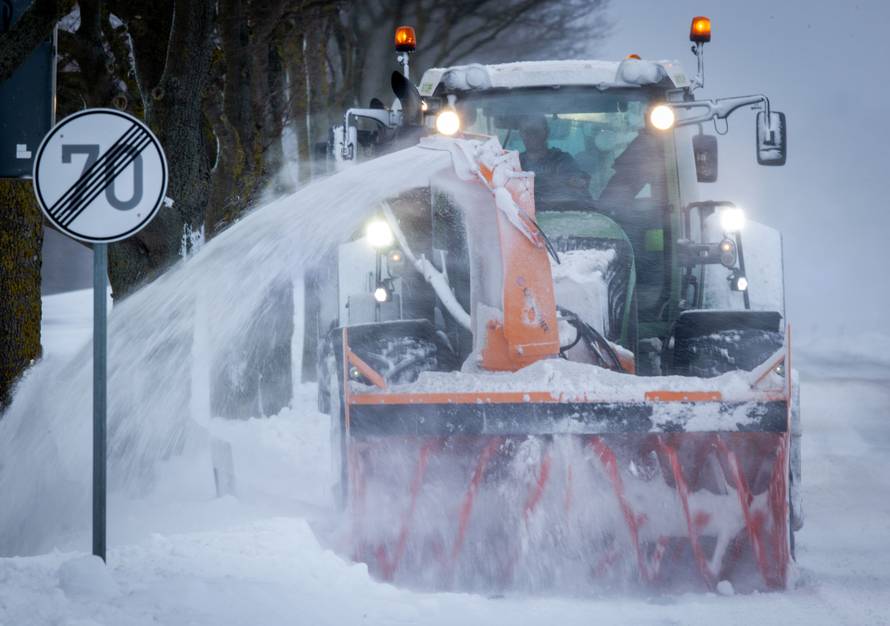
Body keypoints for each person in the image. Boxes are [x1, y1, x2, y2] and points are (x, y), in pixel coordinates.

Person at [517, 115, 591, 208]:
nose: (531, 135)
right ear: (520, 134)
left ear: (547, 132)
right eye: (527, 131)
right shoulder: (513, 163)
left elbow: (576, 189)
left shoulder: (563, 161)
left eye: (536, 131)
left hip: (558, 217)